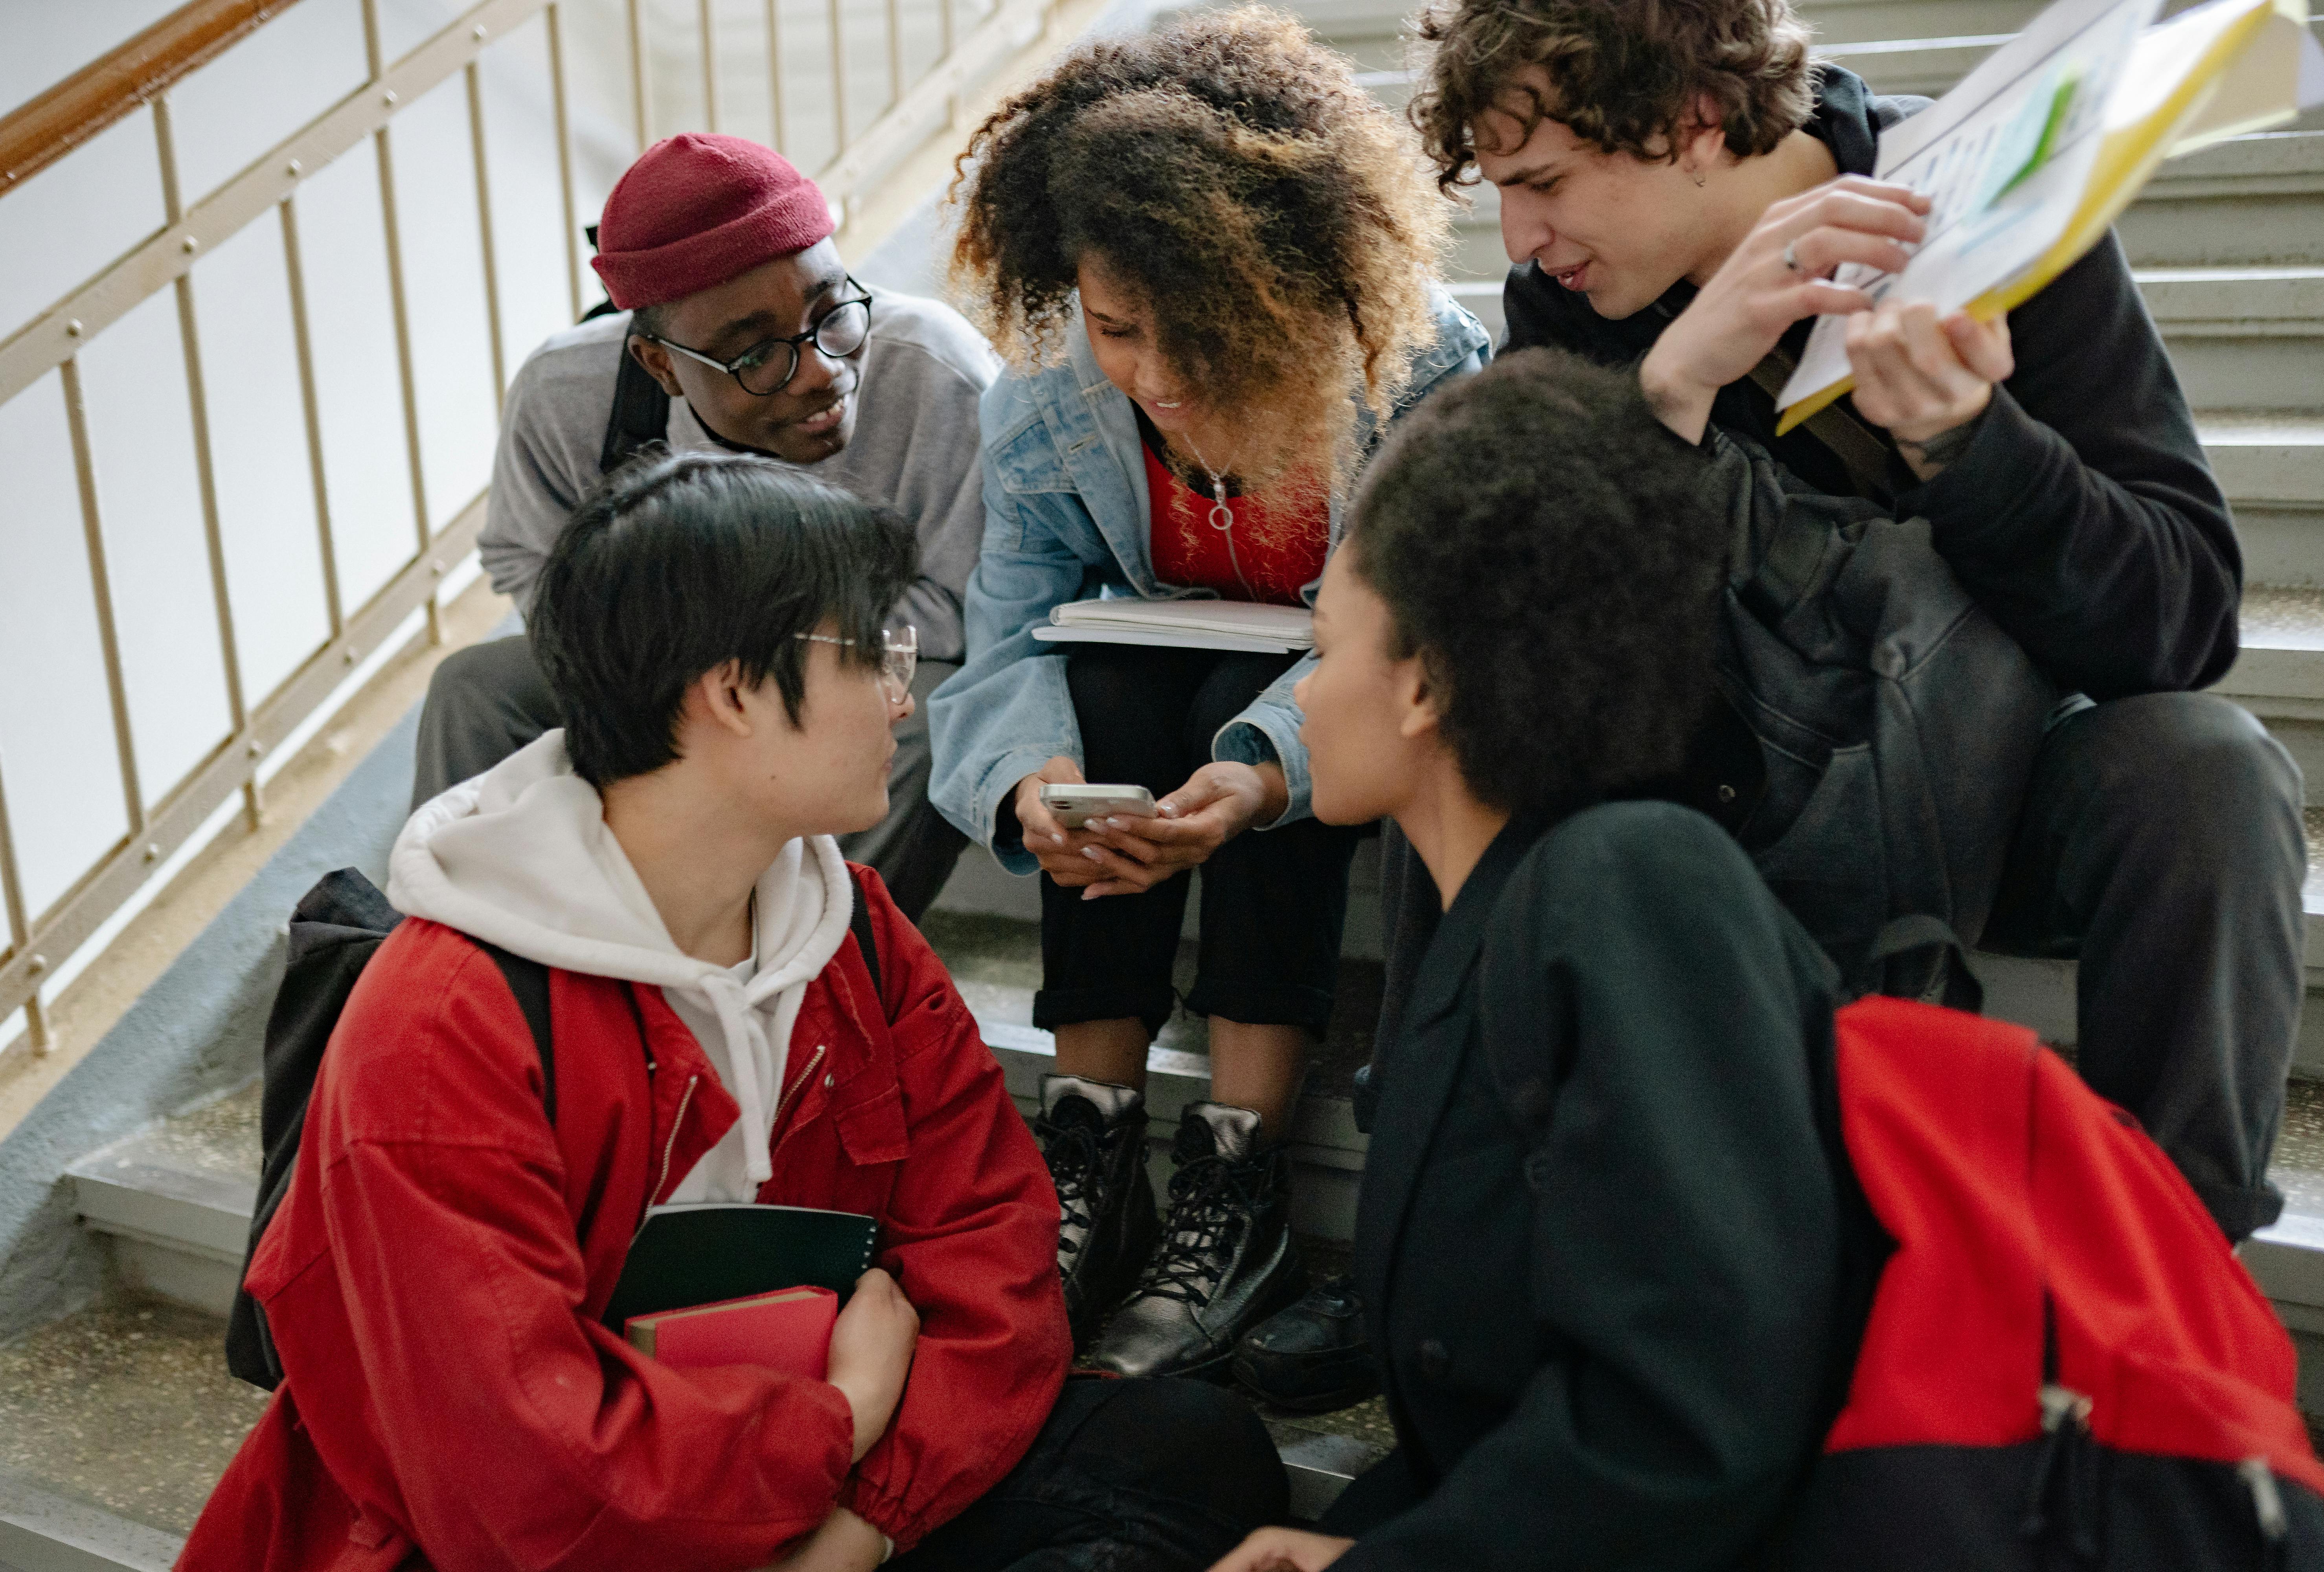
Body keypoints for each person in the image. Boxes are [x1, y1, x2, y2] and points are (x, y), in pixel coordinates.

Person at [179, 453, 1287, 1572]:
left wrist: (858, 1531)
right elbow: (523, 1469)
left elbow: (991, 1248)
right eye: (874, 653)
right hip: (556, 1538)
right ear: (734, 691)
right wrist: (843, 1417)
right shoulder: (444, 1022)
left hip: (818, 1488)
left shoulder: (848, 923)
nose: (904, 698)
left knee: (1191, 1452)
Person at [1398, 0, 2304, 1242]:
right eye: (1502, 189)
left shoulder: (1984, 208)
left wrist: (1976, 451)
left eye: (1545, 180)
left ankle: (2161, 1297)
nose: (1519, 232)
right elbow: (1508, 639)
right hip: (1725, 790)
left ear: (1695, 121)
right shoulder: (1576, 302)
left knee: (2211, 772)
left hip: (1981, 762)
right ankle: (1435, 1229)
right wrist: (1667, 393)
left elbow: (2186, 623)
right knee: (1445, 719)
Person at [1210, 351, 1878, 1572]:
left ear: (1424, 681)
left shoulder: (1633, 885)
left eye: (1324, 647)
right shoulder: (1494, 922)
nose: (1301, 702)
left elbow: (1691, 1416)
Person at [924, 6, 1491, 1379]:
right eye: (1118, 328)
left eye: (1201, 335)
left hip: (1331, 720)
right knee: (1101, 683)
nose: (1158, 379)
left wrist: (1254, 776)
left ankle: (1238, 1174)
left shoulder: (1423, 377)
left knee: (1264, 722)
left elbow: (1411, 645)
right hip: (1144, 710)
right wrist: (1031, 790)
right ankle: (1093, 1139)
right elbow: (1001, 640)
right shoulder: (1047, 405)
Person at [413, 132, 994, 919]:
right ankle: (484, 961)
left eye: (832, 312)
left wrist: (761, 652)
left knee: (935, 717)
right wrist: (680, 664)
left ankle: (819, 966)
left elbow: (969, 606)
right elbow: (528, 560)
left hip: (847, 670)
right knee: (473, 689)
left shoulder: (937, 371)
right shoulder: (566, 393)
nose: (824, 368)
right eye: (756, 354)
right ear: (659, 364)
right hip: (659, 673)